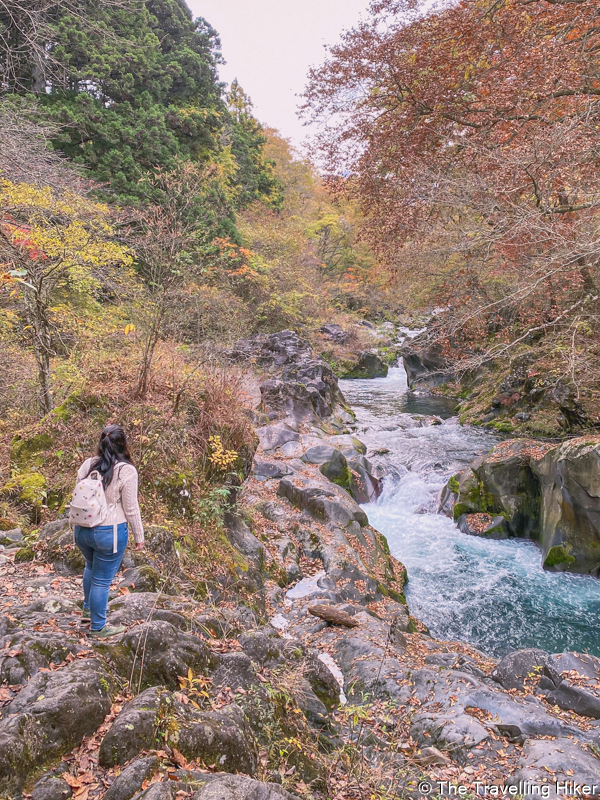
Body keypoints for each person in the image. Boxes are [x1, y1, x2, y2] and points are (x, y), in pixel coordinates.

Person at [73, 424, 144, 638]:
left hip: (82, 530)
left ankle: (88, 611)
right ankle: (98, 627)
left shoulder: (88, 465)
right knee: (102, 580)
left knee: (90, 567)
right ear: (123, 444)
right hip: (109, 532)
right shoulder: (126, 470)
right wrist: (139, 536)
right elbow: (131, 508)